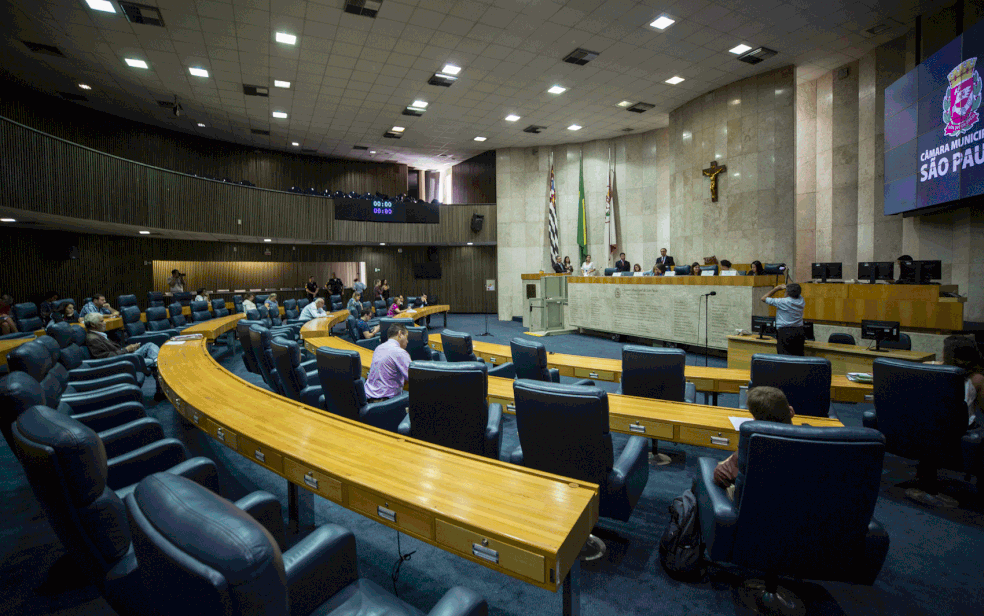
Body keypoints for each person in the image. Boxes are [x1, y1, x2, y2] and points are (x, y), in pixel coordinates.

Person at [713, 386, 794, 500]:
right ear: (790, 411)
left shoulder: (753, 445)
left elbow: (720, 475)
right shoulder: (811, 439)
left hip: (753, 505)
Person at [84, 312, 164, 400]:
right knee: (153, 361)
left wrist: (129, 349)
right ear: (93, 324)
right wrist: (127, 350)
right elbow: (105, 357)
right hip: (119, 362)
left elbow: (113, 351)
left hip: (124, 356)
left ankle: (157, 361)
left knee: (149, 345)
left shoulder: (98, 335)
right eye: (102, 321)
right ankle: (160, 386)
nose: (105, 322)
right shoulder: (93, 338)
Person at [364, 323, 411, 402]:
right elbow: (413, 376)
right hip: (385, 401)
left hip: (368, 397)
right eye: (406, 337)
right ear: (400, 334)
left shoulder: (378, 348)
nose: (407, 341)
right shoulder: (399, 352)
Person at [762, 282, 805, 356]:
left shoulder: (782, 302)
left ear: (787, 293)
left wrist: (776, 289)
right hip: (799, 332)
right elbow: (796, 292)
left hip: (785, 333)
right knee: (798, 356)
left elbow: (763, 298)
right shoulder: (801, 300)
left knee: (784, 357)